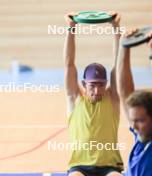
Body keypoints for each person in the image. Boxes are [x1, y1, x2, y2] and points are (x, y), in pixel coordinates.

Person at [64, 12, 123, 176]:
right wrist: (71, 28)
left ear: (106, 84)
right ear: (84, 84)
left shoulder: (112, 98)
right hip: (79, 167)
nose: (97, 91)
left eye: (101, 85)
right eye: (92, 86)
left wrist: (116, 27)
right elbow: (69, 64)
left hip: (110, 167)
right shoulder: (75, 99)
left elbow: (118, 63)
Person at [117, 31, 152, 176]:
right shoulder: (141, 137)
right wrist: (124, 46)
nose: (134, 126)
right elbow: (124, 92)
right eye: (133, 120)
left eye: (140, 120)